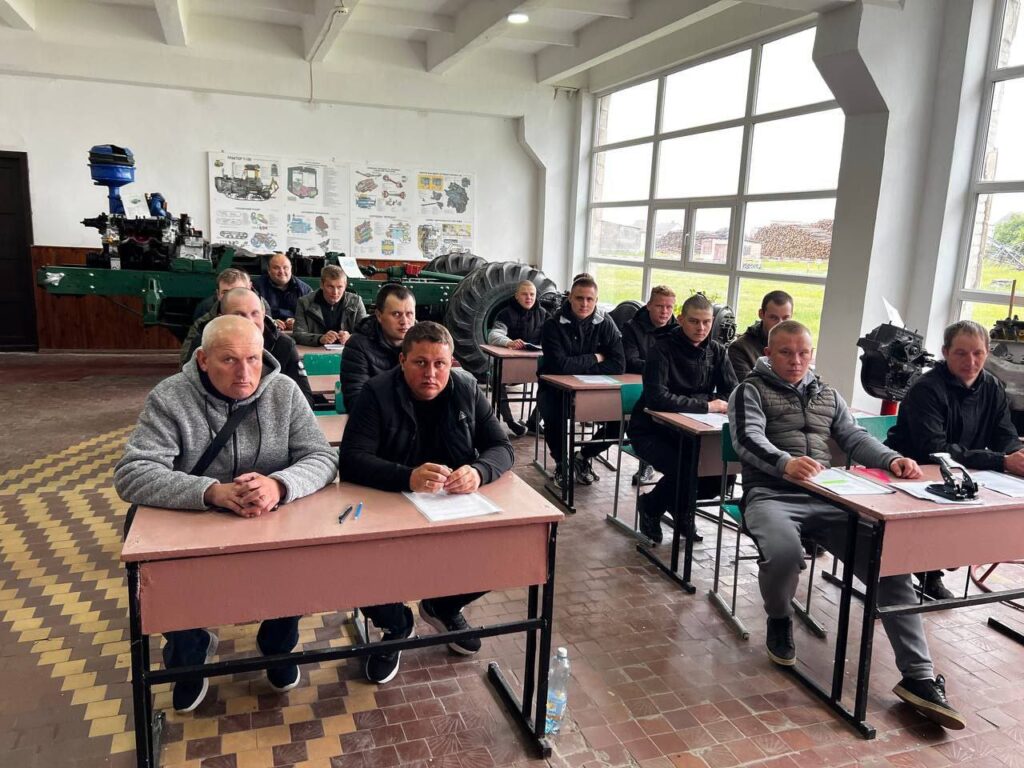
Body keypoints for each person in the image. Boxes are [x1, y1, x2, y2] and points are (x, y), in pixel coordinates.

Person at [728, 320, 965, 730]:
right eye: (786, 352)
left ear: (812, 354)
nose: (796, 360)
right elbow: (746, 439)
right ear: (768, 354)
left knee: (888, 565)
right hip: (771, 493)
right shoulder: (749, 391)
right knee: (783, 553)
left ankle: (919, 677)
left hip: (830, 497)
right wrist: (785, 463)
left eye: (803, 353)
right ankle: (779, 618)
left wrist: (891, 459)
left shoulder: (828, 394)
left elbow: (854, 438)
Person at [114, 315, 338, 713]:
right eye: (229, 360)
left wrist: (279, 485)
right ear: (203, 359)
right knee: (167, 584)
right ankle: (190, 653)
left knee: (298, 566)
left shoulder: (284, 392)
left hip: (269, 522)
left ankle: (278, 644)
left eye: (253, 359)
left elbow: (321, 457)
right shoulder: (171, 397)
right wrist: (210, 491)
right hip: (191, 522)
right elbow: (132, 474)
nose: (245, 373)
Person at [338, 322, 514, 684]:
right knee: (356, 561)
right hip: (388, 502)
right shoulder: (376, 393)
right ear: (402, 361)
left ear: (452, 364)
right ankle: (396, 624)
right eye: (420, 363)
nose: (430, 373)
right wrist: (407, 476)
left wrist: (479, 471)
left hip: (451, 505)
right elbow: (352, 459)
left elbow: (502, 447)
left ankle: (443, 606)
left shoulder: (467, 389)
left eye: (440, 364)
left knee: (504, 551)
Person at [886, 319, 1024, 601]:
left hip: (963, 470)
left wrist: (1017, 455)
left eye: (978, 353)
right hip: (913, 470)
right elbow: (934, 449)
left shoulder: (993, 387)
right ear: (945, 352)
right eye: (961, 353)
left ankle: (947, 555)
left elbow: (1005, 435)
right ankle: (927, 571)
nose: (970, 362)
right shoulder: (926, 389)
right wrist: (1002, 461)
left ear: (987, 353)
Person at [629, 293, 738, 544]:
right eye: (694, 321)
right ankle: (652, 506)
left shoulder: (717, 351)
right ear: (680, 320)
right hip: (652, 430)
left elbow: (732, 391)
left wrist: (710, 403)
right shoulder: (661, 349)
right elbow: (657, 398)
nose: (701, 328)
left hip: (695, 431)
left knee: (721, 476)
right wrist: (706, 404)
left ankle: (677, 506)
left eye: (707, 322)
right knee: (686, 469)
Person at [538, 277, 625, 488]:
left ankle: (583, 456)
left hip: (593, 390)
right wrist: (596, 357)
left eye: (589, 299)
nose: (584, 304)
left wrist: (576, 365)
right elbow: (559, 366)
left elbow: (619, 364)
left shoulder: (605, 323)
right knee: (554, 415)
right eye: (579, 298)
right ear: (570, 298)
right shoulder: (552, 325)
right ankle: (562, 463)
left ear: (596, 300)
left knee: (622, 420)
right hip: (555, 389)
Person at [182, 287, 317, 408]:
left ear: (263, 314)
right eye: (239, 315)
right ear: (222, 318)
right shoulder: (205, 343)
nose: (249, 321)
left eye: (255, 313)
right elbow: (188, 393)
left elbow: (305, 401)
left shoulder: (283, 345)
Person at [622, 285, 679, 485]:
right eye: (659, 306)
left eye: (669, 307)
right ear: (649, 306)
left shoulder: (678, 331)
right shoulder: (632, 327)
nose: (665, 311)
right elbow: (630, 361)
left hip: (667, 389)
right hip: (638, 385)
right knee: (615, 425)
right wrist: (660, 367)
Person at [341, 283, 416, 413]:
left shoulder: (423, 343)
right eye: (396, 314)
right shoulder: (358, 346)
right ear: (379, 315)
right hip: (375, 422)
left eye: (409, 314)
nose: (404, 321)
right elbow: (356, 402)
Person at [487, 280, 548, 435]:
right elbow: (493, 335)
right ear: (516, 296)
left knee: (553, 384)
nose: (529, 297)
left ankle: (534, 421)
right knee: (496, 378)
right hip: (509, 365)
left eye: (532, 294)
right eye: (524, 294)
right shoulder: (505, 314)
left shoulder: (543, 314)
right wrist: (508, 342)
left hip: (535, 364)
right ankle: (509, 421)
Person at [182, 269, 270, 352]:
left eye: (238, 291)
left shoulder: (268, 325)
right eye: (225, 292)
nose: (232, 296)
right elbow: (188, 358)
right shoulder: (204, 322)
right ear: (218, 294)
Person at [293, 265, 367, 347]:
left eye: (340, 287)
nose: (335, 292)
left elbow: (366, 334)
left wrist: (350, 337)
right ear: (321, 285)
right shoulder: (304, 303)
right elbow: (298, 335)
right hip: (315, 350)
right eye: (330, 286)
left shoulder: (356, 302)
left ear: (345, 286)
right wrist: (320, 339)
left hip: (348, 350)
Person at [728, 290, 794, 381]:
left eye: (785, 318)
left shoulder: (797, 346)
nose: (780, 324)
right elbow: (748, 386)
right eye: (773, 318)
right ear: (761, 314)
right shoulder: (740, 348)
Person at [253, 253, 312, 330]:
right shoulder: (256, 287)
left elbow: (312, 317)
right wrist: (269, 321)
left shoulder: (305, 290)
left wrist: (298, 322)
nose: (281, 271)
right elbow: (251, 313)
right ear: (269, 270)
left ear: (291, 269)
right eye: (276, 268)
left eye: (285, 268)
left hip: (296, 333)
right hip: (267, 331)